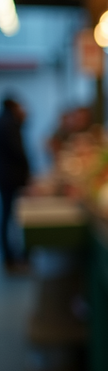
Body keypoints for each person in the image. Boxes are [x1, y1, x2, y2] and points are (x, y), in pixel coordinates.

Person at [0, 97, 30, 269]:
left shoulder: (6, 121)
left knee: (8, 215)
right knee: (11, 216)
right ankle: (12, 257)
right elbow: (18, 152)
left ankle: (11, 256)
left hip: (6, 177)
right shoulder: (10, 124)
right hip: (12, 178)